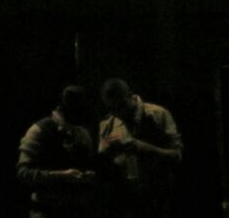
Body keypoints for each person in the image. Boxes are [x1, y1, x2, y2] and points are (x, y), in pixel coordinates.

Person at [98, 78, 182, 218]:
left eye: (121, 106)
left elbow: (177, 156)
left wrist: (143, 148)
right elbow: (104, 171)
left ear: (130, 95)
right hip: (126, 203)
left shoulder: (158, 115)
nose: (118, 113)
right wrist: (106, 153)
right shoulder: (108, 124)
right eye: (112, 109)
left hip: (159, 200)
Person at [16, 85, 99, 218]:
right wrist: (61, 175)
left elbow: (87, 165)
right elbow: (23, 173)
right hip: (46, 211)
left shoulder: (82, 133)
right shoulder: (39, 130)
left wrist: (89, 176)